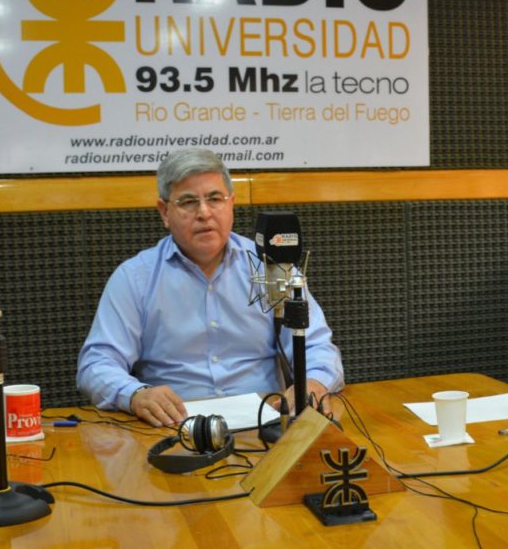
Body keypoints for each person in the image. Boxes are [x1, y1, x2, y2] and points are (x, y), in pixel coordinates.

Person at [77, 149, 343, 427]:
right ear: (164, 212)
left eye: (215, 199)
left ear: (231, 205)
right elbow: (96, 365)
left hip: (269, 425)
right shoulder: (134, 278)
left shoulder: (272, 266)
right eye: (188, 202)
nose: (204, 213)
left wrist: (313, 383)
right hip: (174, 430)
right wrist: (135, 395)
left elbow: (317, 347)